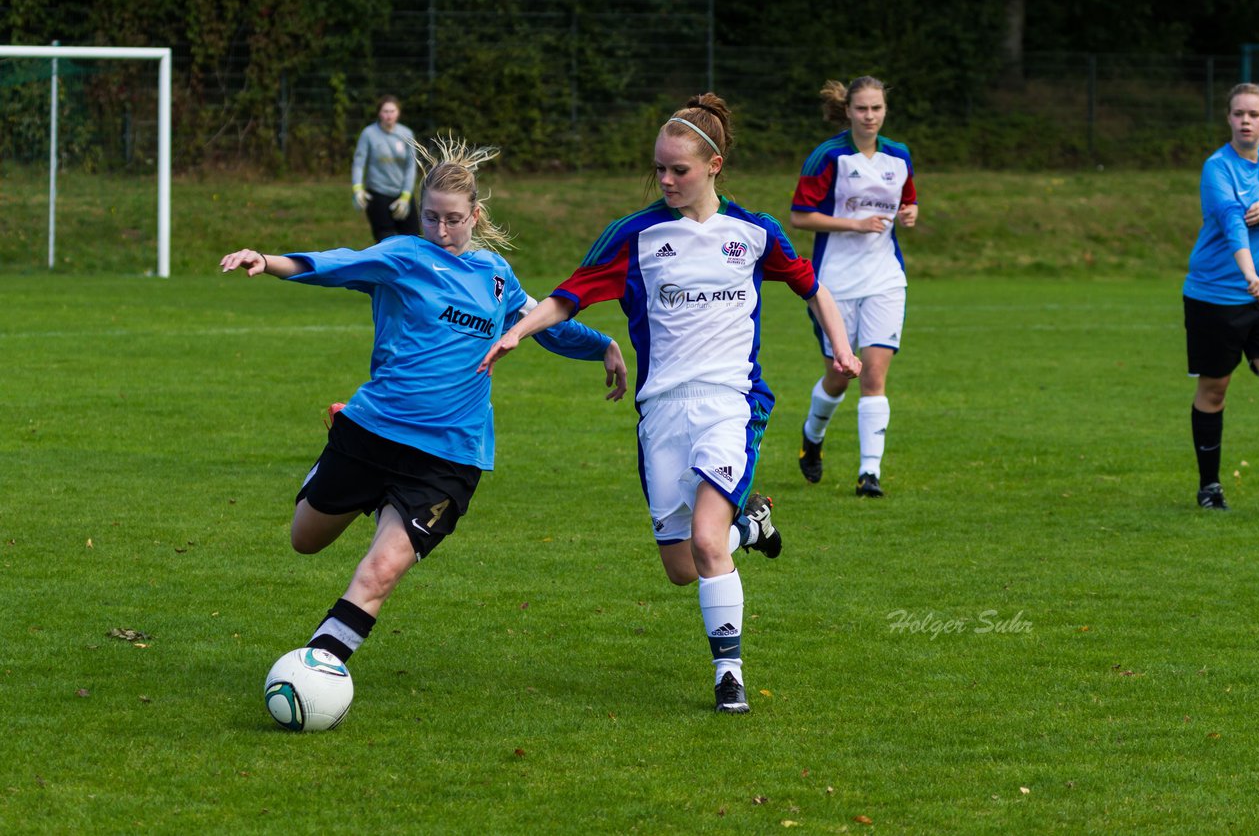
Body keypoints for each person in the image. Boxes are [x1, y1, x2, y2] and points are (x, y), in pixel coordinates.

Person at [479, 93, 860, 714]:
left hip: (730, 402)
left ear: (714, 164)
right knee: (683, 566)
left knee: (707, 544)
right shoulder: (635, 236)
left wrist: (841, 349)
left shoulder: (754, 232)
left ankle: (729, 677)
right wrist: (518, 331)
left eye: (678, 169)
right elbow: (567, 296)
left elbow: (814, 290)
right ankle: (751, 524)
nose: (665, 180)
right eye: (658, 169)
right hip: (661, 412)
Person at [219, 135, 628, 672]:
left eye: (453, 219)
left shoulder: (496, 277)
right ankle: (337, 454)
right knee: (305, 540)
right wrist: (267, 260)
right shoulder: (400, 257)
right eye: (431, 218)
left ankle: (315, 672)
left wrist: (602, 344)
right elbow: (333, 263)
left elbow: (544, 326)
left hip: (448, 456)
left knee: (380, 570)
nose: (440, 231)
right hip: (373, 433)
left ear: (475, 216)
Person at [790, 76, 918, 498]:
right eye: (861, 109)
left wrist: (909, 213)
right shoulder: (828, 157)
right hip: (835, 284)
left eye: (876, 109)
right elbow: (800, 216)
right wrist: (854, 223)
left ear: (885, 111)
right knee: (839, 377)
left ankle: (869, 474)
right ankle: (812, 437)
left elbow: (906, 201)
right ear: (847, 110)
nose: (869, 116)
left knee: (874, 376)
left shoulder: (899, 155)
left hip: (884, 279)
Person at [1183, 82, 1259, 510]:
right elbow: (1230, 222)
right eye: (1238, 113)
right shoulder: (1217, 168)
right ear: (1228, 118)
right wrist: (1248, 274)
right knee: (1215, 390)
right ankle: (1209, 487)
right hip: (1217, 298)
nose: (1245, 120)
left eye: (1253, 114)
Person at [351, 95, 420, 242]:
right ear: (379, 113)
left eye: (392, 111)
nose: (389, 115)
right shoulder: (368, 134)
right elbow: (359, 162)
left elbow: (410, 166)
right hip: (378, 193)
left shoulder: (407, 134)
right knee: (385, 241)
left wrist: (406, 196)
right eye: (385, 111)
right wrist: (357, 188)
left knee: (413, 240)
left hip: (402, 194)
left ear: (398, 113)